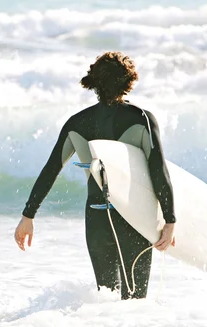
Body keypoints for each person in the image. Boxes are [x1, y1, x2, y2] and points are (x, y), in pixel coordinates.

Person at [14, 51, 176, 300]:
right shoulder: (141, 119)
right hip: (133, 220)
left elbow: (50, 170)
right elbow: (158, 171)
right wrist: (169, 220)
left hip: (97, 219)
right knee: (135, 302)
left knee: (106, 301)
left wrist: (28, 215)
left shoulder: (77, 122)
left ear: (95, 83)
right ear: (129, 81)